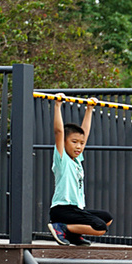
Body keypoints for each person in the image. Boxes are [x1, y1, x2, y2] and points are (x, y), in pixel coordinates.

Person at [48, 94, 114, 247]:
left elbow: (85, 132)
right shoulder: (62, 159)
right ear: (64, 143)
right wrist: (57, 105)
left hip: (75, 209)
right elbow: (59, 132)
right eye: (74, 142)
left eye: (81, 144)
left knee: (107, 218)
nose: (79, 146)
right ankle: (61, 227)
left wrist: (89, 110)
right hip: (62, 210)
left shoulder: (77, 160)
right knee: (100, 228)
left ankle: (72, 234)